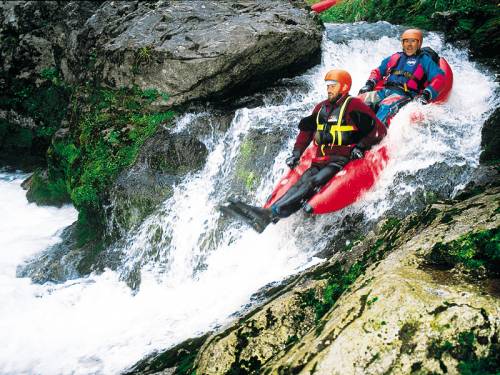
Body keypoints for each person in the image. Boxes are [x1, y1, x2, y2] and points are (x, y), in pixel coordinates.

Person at [220, 69, 387, 233]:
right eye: (328, 85)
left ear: (344, 87)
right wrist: (296, 153)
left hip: (340, 159)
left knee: (314, 182)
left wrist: (361, 145)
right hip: (320, 159)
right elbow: (305, 133)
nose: (329, 89)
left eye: (333, 86)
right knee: (301, 181)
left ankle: (271, 214)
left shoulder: (354, 105)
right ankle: (267, 214)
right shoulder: (321, 108)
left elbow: (378, 130)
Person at [357, 28, 445, 125]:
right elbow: (378, 71)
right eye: (406, 41)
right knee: (358, 100)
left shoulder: (424, 60)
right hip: (385, 91)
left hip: (405, 94)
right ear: (402, 43)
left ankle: (375, 134)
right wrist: (369, 83)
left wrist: (427, 94)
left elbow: (439, 78)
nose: (409, 44)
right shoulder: (395, 57)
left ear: (419, 44)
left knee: (386, 106)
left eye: (413, 41)